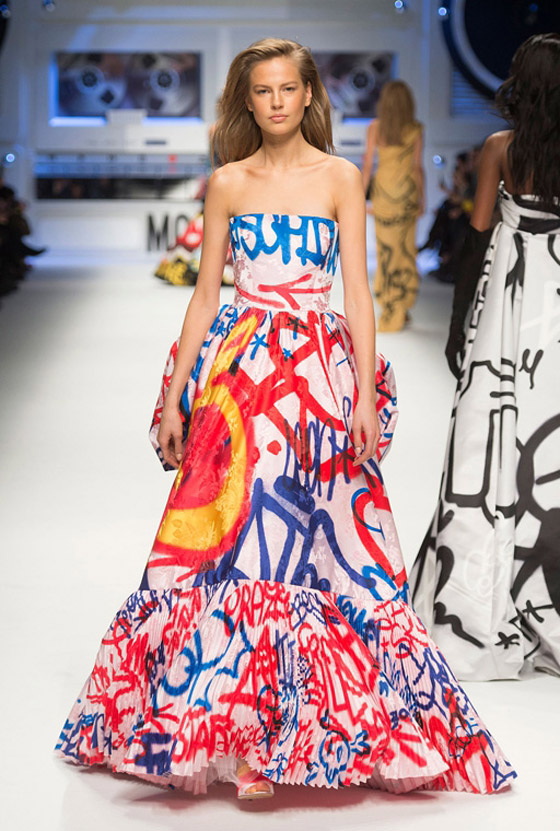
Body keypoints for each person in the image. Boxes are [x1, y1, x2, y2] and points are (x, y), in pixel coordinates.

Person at [56, 37, 515, 800]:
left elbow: (357, 292)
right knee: (237, 542)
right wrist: (174, 396)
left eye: (286, 89)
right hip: (242, 380)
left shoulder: (340, 177)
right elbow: (206, 295)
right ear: (249, 100)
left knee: (324, 548)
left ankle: (299, 730)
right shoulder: (227, 183)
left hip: (317, 381)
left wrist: (362, 392)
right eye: (261, 91)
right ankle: (248, 743)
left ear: (308, 96)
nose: (274, 102)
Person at [410, 33, 560, 681]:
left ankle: (482, 586)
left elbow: (475, 239)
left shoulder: (501, 148)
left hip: (508, 307)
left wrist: (457, 329)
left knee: (492, 435)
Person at [361, 80, 424, 331]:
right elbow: (417, 168)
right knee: (405, 250)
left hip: (384, 194)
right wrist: (422, 199)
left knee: (386, 250)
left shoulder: (376, 128)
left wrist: (359, 197)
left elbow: (368, 165)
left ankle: (389, 305)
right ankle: (402, 305)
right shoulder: (415, 129)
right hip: (406, 195)